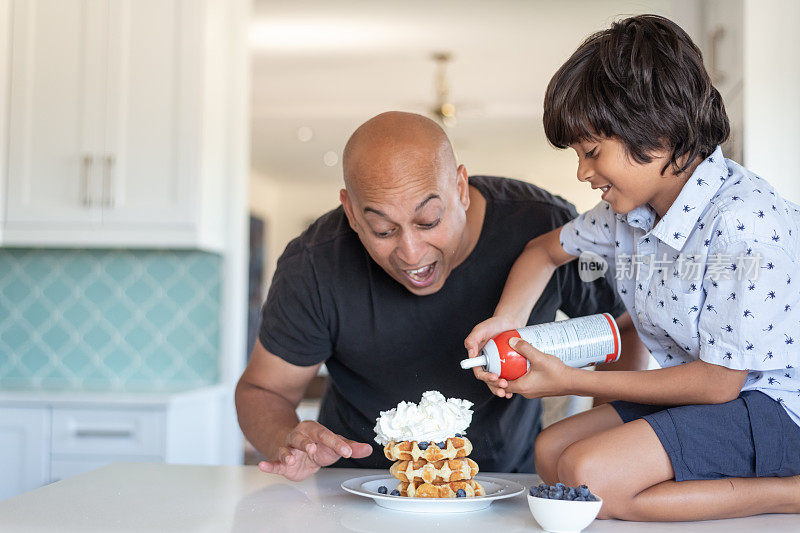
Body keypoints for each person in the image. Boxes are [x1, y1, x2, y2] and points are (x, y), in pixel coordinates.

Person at [465, 14, 800, 521]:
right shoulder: (631, 213)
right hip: (716, 401)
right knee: (552, 454)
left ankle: (790, 492)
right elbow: (543, 252)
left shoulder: (741, 222)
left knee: (591, 478)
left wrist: (571, 380)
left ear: (657, 131)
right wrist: (505, 324)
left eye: (592, 152)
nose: (582, 172)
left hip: (774, 407)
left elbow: (718, 384)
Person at [236, 111, 649, 481]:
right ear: (350, 212)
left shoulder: (543, 226)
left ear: (460, 188)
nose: (411, 253)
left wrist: (603, 435)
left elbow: (625, 328)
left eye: (429, 221)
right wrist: (287, 441)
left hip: (508, 486)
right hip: (356, 491)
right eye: (382, 230)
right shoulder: (313, 265)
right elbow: (263, 391)